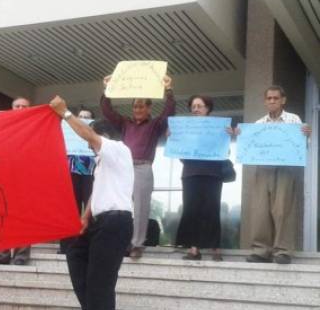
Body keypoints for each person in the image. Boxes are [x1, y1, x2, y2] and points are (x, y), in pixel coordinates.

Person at [50, 95, 134, 310]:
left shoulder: (118, 149)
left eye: (92, 138)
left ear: (103, 135)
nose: (87, 145)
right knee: (74, 251)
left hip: (115, 223)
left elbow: (89, 136)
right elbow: (98, 193)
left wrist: (65, 113)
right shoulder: (102, 164)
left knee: (102, 279)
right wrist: (85, 218)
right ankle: (90, 307)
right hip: (99, 221)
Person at [100, 75, 175, 259]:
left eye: (141, 106)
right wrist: (106, 90)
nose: (137, 109)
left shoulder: (155, 124)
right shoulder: (125, 123)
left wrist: (169, 90)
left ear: (149, 108)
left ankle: (137, 244)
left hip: (143, 168)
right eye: (135, 106)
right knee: (121, 207)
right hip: (123, 168)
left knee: (141, 207)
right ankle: (121, 242)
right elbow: (108, 112)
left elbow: (169, 112)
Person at [239, 85, 311, 265]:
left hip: (286, 169)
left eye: (275, 98)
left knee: (282, 210)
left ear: (283, 100)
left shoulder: (293, 120)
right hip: (263, 169)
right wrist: (240, 135)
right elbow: (248, 146)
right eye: (269, 98)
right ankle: (261, 251)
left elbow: (303, 145)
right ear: (265, 101)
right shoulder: (258, 124)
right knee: (260, 210)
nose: (272, 101)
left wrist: (306, 136)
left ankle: (283, 251)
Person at [174, 95, 226, 261]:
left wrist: (229, 135)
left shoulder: (218, 127)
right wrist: (173, 139)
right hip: (191, 173)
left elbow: (225, 150)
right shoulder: (185, 129)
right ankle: (193, 249)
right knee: (191, 210)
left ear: (207, 108)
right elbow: (180, 154)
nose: (196, 109)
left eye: (199, 106)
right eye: (193, 106)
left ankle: (215, 248)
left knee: (212, 209)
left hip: (213, 174)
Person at [0, 96, 32, 265]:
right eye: (17, 106)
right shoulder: (1, 126)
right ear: (11, 108)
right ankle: (1, 255)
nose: (20, 109)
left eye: (24, 106)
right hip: (3, 177)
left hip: (26, 178)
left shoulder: (35, 126)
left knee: (24, 218)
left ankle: (20, 256)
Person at [59, 109, 96, 255]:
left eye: (87, 117)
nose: (83, 119)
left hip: (90, 173)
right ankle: (66, 245)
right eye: (80, 117)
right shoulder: (67, 128)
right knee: (70, 208)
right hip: (71, 172)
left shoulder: (94, 132)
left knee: (90, 208)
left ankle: (89, 244)